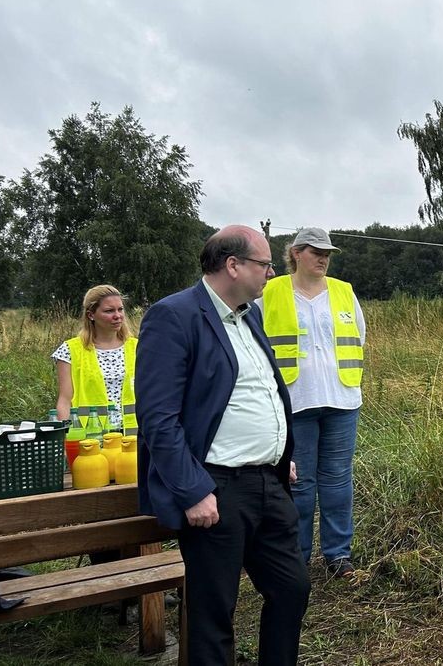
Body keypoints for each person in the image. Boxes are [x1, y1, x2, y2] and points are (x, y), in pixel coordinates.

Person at [136, 225, 309, 665]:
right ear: (233, 265)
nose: (272, 272)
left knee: (292, 589)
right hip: (216, 489)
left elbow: (259, 390)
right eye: (265, 264)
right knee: (214, 612)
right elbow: (158, 418)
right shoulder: (174, 315)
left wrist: (278, 453)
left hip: (268, 483)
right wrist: (193, 490)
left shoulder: (250, 314)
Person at [258, 226, 366, 580]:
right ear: (296, 254)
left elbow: (359, 337)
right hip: (295, 400)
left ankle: (338, 556)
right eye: (315, 251)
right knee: (299, 484)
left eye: (327, 253)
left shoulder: (343, 292)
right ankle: (297, 557)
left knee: (337, 481)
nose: (322, 258)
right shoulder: (269, 292)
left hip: (341, 398)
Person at [53, 284, 137, 435]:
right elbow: (65, 400)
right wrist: (64, 439)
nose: (117, 315)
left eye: (120, 309)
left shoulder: (138, 348)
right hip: (90, 438)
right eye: (109, 311)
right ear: (91, 315)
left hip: (134, 438)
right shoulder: (70, 350)